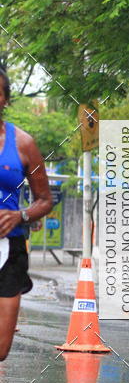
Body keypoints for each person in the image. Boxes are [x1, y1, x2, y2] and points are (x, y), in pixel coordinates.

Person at [0, 71, 53, 361]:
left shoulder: (23, 144)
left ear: (5, 99)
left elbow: (45, 200)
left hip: (10, 250)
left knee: (1, 348)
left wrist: (20, 215)